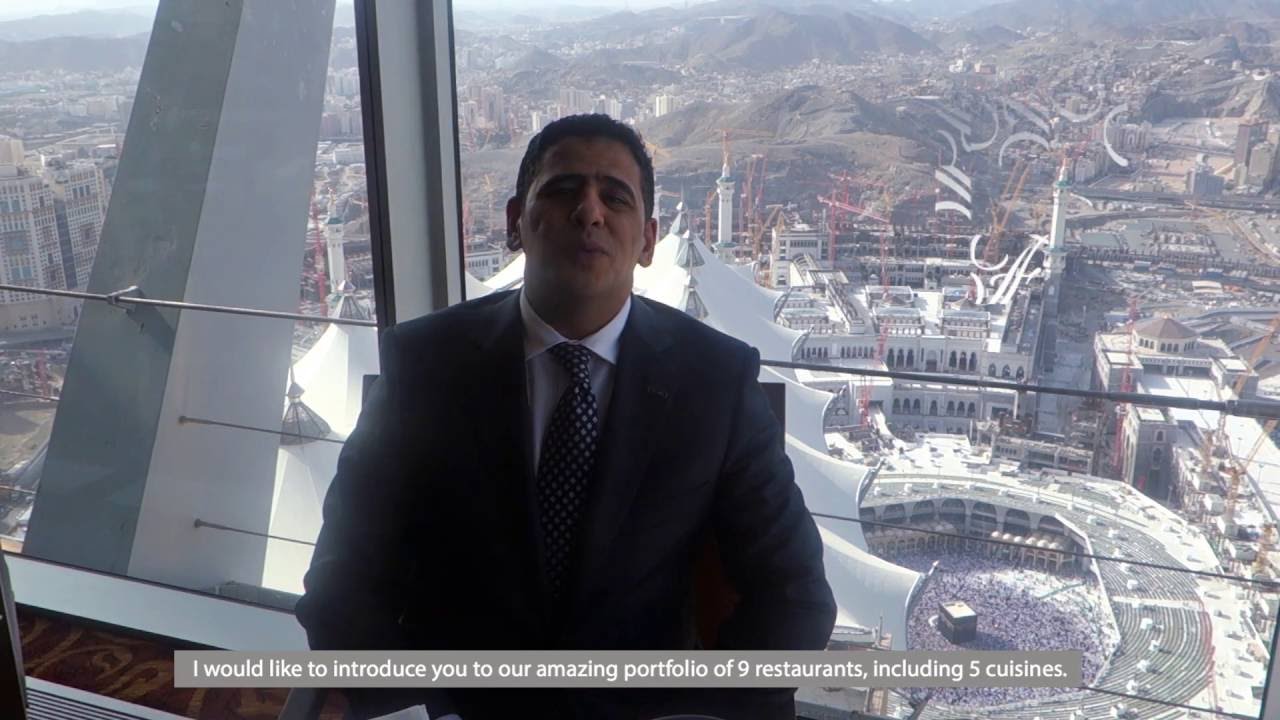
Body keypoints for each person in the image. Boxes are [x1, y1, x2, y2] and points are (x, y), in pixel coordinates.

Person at [295, 114, 836, 720]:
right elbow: (344, 573)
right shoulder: (426, 366)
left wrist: (704, 709)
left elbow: (795, 595)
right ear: (515, 222)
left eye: (615, 196)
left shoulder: (714, 381)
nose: (589, 212)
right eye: (562, 190)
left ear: (649, 240)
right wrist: (414, 703)